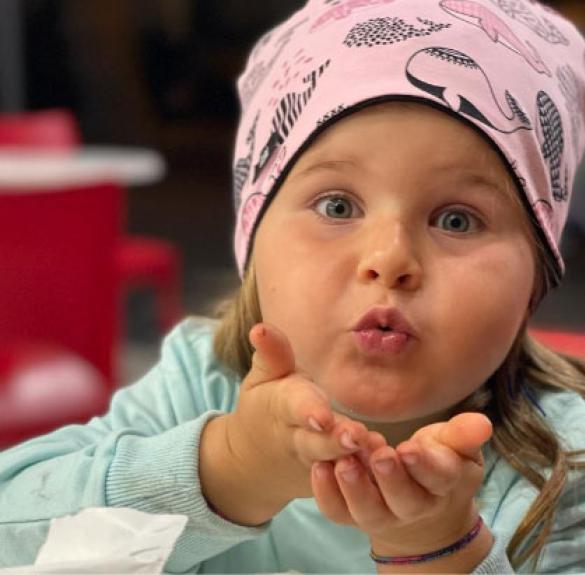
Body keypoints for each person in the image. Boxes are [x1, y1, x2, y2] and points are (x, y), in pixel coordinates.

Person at [2, 0, 585, 572]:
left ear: (537, 273)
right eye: (337, 205)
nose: (389, 259)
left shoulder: (568, 464)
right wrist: (229, 469)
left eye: (456, 219)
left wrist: (441, 551)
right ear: (255, 242)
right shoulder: (198, 384)